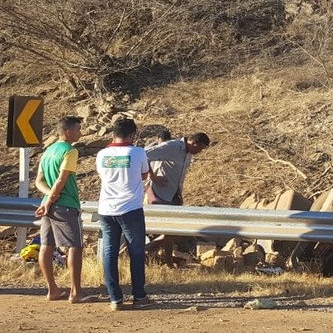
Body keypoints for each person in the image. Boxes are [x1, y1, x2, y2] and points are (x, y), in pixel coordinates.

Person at [96, 118, 151, 311]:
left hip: (106, 209)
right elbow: (145, 174)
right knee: (136, 252)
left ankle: (115, 298)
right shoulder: (137, 152)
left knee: (110, 253)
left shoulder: (102, 154)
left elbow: (102, 175)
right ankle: (139, 296)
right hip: (131, 209)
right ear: (132, 135)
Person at [34, 116, 85, 303]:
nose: (81, 132)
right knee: (75, 246)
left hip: (49, 205)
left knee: (46, 245)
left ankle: (52, 290)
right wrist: (53, 198)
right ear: (69, 132)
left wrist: (48, 198)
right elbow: (61, 180)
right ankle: (76, 292)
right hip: (66, 205)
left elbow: (39, 181)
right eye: (78, 129)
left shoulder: (48, 151)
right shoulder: (70, 151)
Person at [144, 132, 210, 263]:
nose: (199, 152)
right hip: (159, 194)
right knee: (168, 228)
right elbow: (144, 155)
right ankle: (152, 254)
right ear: (193, 143)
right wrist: (152, 176)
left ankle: (160, 255)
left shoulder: (188, 153)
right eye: (199, 148)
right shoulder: (171, 147)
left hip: (174, 195)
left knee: (174, 229)